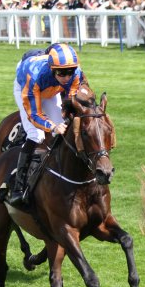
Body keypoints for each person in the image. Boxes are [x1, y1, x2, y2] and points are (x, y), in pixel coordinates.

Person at [10, 43, 87, 206]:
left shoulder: (76, 73)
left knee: (63, 128)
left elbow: (71, 99)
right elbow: (35, 114)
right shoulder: (34, 76)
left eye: (70, 72)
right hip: (27, 86)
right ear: (52, 69)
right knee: (36, 135)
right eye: (62, 73)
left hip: (51, 88)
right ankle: (18, 187)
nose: (67, 77)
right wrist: (52, 126)